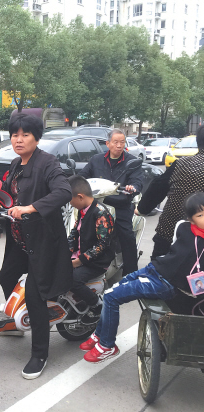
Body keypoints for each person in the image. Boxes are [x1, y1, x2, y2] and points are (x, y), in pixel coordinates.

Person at [81, 192, 204, 363]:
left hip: (165, 284)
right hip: (155, 269)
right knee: (115, 287)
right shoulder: (183, 227)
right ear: (191, 219)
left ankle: (107, 346)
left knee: (110, 296)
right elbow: (174, 251)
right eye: (200, 215)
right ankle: (99, 334)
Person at [0, 113, 73, 380]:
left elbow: (64, 192)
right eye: (14, 135)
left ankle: (40, 354)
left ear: (36, 138)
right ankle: (17, 322)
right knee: (6, 276)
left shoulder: (47, 163)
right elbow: (6, 192)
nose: (18, 140)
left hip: (43, 242)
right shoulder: (15, 163)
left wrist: (31, 208)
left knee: (35, 295)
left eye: (25, 135)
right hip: (20, 239)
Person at [79, 129, 143, 276]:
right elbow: (83, 176)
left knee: (127, 236)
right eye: (115, 142)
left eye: (122, 142)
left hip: (121, 205)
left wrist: (132, 187)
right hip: (97, 204)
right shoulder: (96, 160)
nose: (119, 145)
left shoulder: (132, 161)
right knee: (79, 230)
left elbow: (137, 181)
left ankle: (131, 274)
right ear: (108, 144)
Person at [138, 125, 204, 259]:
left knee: (159, 268)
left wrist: (141, 209)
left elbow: (158, 187)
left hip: (170, 231)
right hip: (197, 240)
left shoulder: (181, 164)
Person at [67, 175, 115, 324]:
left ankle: (96, 306)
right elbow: (74, 233)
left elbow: (103, 244)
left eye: (70, 200)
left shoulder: (100, 213)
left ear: (80, 197)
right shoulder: (82, 210)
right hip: (80, 255)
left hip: (96, 262)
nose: (70, 204)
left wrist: (79, 261)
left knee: (71, 280)